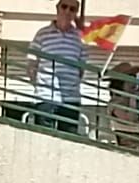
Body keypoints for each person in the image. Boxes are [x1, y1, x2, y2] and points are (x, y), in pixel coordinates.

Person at [25, 0, 86, 133]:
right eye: (64, 7)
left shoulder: (79, 37)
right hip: (45, 96)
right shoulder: (42, 34)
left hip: (70, 97)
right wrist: (38, 85)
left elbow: (82, 68)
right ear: (57, 8)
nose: (67, 11)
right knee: (43, 139)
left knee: (69, 141)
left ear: (75, 13)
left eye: (72, 9)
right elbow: (31, 63)